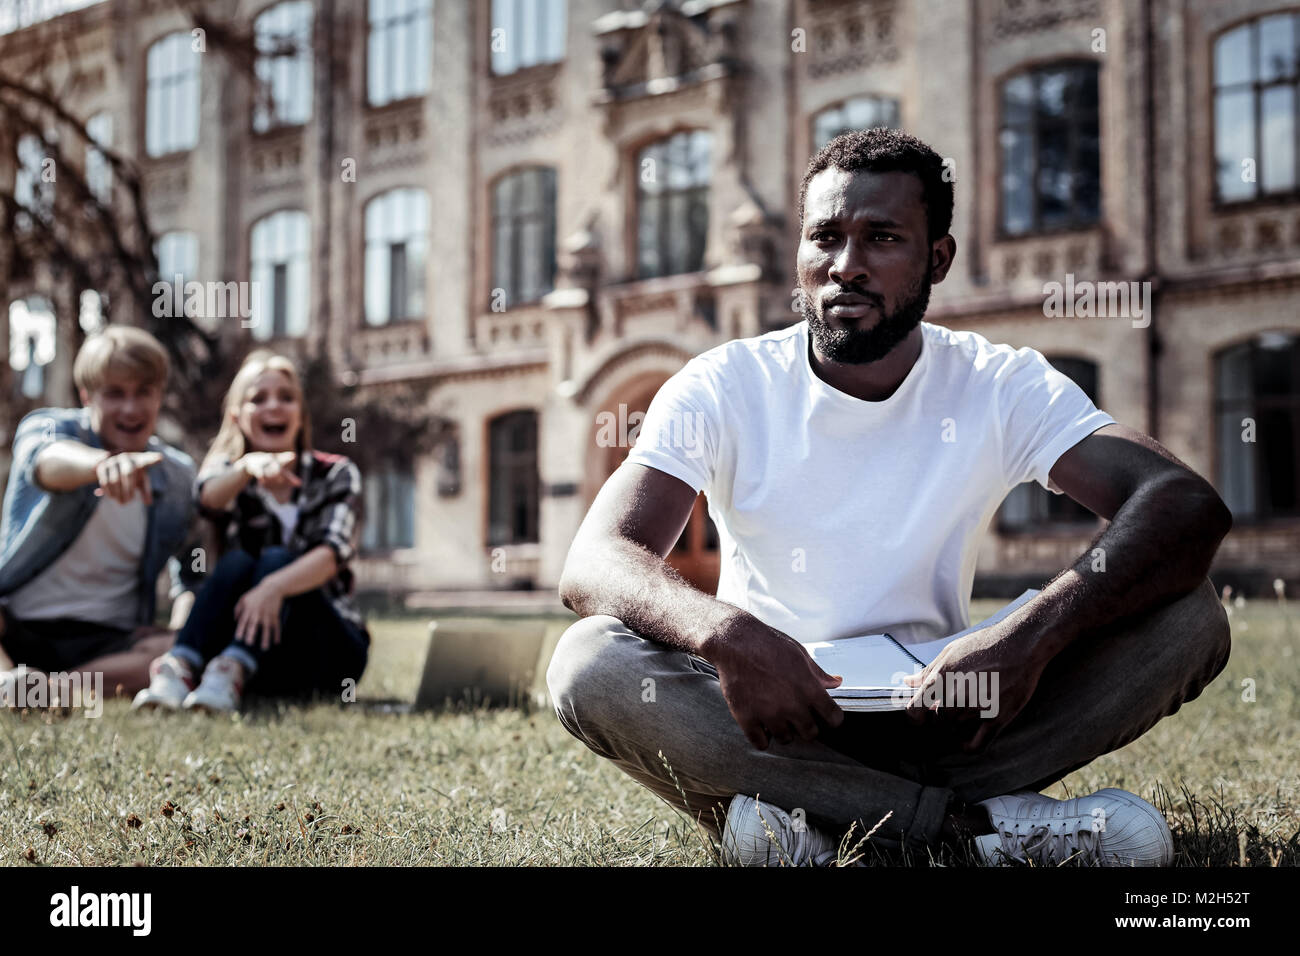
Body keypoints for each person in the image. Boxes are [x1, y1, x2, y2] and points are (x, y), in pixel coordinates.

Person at [546, 128, 1233, 867]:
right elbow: (595, 559)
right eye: (825, 238)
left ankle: (813, 828)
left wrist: (1028, 638)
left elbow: (1181, 503)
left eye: (881, 237)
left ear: (937, 257)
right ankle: (976, 835)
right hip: (771, 721)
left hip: (957, 719)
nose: (847, 266)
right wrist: (727, 636)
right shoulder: (725, 384)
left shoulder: (997, 382)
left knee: (1190, 616)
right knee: (590, 663)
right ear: (800, 255)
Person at [133, 351, 369, 712]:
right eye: (258, 399)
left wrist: (272, 588)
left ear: (300, 414)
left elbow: (332, 554)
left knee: (275, 558)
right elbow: (207, 498)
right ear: (236, 416)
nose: (274, 406)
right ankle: (180, 667)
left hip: (326, 647)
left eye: (286, 397)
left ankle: (232, 668)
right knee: (239, 560)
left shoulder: (335, 474)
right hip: (258, 647)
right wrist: (246, 469)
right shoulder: (229, 477)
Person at [0, 325, 199, 702]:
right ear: (86, 395)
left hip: (108, 645)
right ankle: (9, 680)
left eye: (144, 392)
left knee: (189, 644)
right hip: (16, 626)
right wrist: (100, 465)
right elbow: (43, 462)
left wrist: (179, 632)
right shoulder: (48, 428)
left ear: (159, 396)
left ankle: (50, 690)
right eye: (115, 393)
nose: (131, 408)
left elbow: (193, 575)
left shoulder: (177, 477)